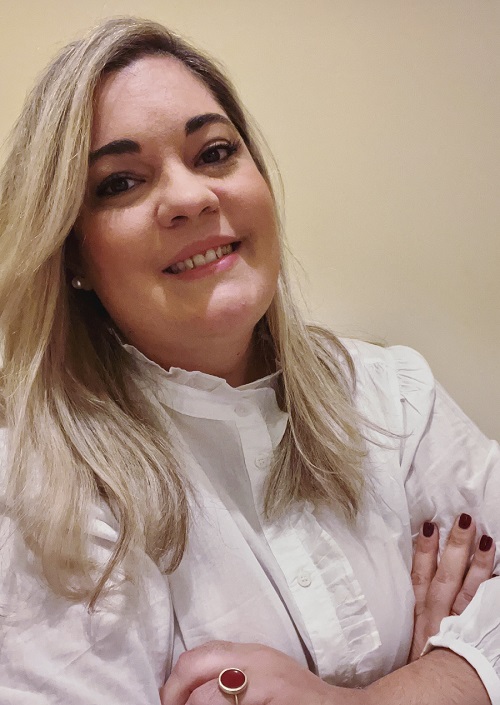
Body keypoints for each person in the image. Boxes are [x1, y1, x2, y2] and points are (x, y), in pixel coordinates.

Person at [0, 15, 498, 705]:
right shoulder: (39, 494)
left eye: (213, 153)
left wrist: (389, 694)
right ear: (73, 253)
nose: (191, 197)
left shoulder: (393, 395)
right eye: (120, 182)